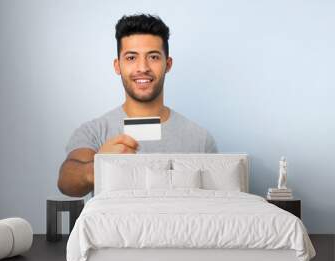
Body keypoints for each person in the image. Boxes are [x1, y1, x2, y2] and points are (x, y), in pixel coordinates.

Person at [58, 14, 217, 197]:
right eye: (131, 58)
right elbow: (66, 181)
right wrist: (100, 167)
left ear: (168, 64)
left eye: (154, 57)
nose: (142, 67)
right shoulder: (94, 131)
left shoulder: (200, 139)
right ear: (117, 66)